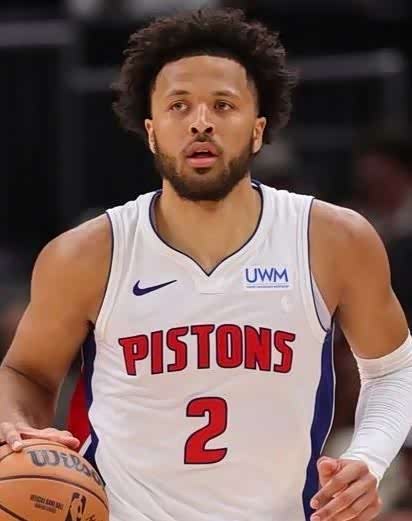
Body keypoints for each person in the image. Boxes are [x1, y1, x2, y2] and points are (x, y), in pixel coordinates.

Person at [0, 8, 411, 521]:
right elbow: (26, 371)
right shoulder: (87, 254)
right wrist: (19, 426)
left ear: (258, 129)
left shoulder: (332, 239)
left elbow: (394, 369)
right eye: (179, 105)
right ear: (151, 130)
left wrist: (367, 459)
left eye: (223, 104)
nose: (200, 122)